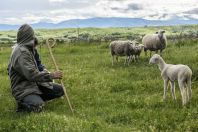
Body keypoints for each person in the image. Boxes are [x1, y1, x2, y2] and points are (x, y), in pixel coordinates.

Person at [8, 24, 64, 112]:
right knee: (38, 106)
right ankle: (23, 104)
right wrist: (51, 75)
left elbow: (38, 66)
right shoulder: (21, 52)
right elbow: (31, 74)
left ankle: (36, 97)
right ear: (28, 36)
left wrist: (46, 73)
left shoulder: (28, 49)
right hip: (24, 88)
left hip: (36, 84)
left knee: (60, 90)